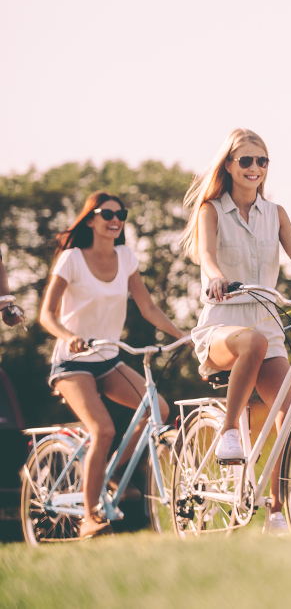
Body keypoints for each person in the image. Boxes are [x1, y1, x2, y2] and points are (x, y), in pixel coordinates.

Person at [180, 128, 291, 535]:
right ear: (229, 165)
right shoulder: (211, 209)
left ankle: (275, 509)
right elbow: (205, 255)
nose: (255, 168)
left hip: (268, 323)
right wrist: (216, 276)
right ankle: (228, 434)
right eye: (246, 161)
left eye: (262, 161)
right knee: (250, 344)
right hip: (223, 322)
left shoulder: (276, 214)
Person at [39, 192, 184, 539]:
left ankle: (116, 471)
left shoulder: (126, 257)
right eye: (107, 213)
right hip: (72, 363)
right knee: (102, 430)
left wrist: (183, 335)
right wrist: (68, 335)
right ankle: (89, 516)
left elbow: (148, 307)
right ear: (91, 220)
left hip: (108, 358)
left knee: (158, 409)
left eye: (121, 213)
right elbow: (47, 314)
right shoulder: (72, 259)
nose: (115, 219)